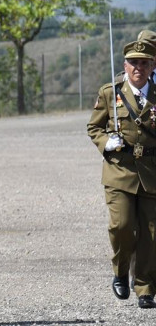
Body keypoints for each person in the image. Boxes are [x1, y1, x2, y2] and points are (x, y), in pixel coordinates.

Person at [87, 38, 156, 309]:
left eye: (144, 63)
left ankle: (145, 287)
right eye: (133, 63)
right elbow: (94, 127)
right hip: (119, 171)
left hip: (152, 172)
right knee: (122, 226)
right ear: (125, 66)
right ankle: (120, 271)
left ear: (153, 66)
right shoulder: (110, 92)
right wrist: (106, 143)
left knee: (151, 233)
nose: (138, 68)